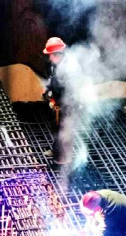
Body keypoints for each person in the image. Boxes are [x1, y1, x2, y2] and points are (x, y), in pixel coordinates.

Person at [42, 36, 74, 165]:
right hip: (58, 103)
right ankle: (56, 150)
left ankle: (63, 158)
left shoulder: (68, 69)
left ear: (58, 54)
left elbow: (69, 91)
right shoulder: (55, 65)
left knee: (64, 129)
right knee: (56, 128)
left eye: (51, 55)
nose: (49, 58)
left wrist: (60, 104)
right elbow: (52, 79)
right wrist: (47, 90)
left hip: (67, 104)